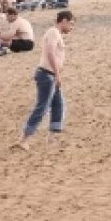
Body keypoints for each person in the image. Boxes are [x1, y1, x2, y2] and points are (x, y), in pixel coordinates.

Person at [16, 10, 74, 150]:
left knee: (59, 104)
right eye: (71, 24)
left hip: (50, 75)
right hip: (47, 75)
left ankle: (51, 137)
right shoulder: (53, 32)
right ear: (64, 21)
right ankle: (24, 139)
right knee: (42, 107)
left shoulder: (55, 33)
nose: (71, 27)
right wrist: (57, 73)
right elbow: (50, 52)